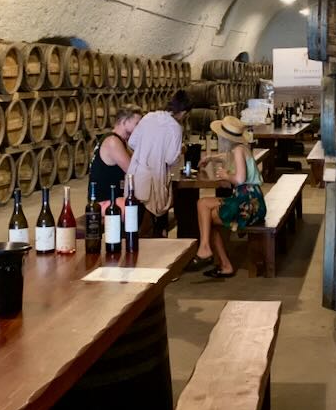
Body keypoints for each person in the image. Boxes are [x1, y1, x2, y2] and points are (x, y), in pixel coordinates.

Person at [186, 116, 266, 278]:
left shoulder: (237, 150)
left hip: (246, 203)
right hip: (253, 200)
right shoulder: (241, 148)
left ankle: (206, 249)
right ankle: (219, 259)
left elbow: (240, 179)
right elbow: (227, 157)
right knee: (206, 213)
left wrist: (225, 175)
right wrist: (211, 158)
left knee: (203, 207)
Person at [127, 90, 192, 236]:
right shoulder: (175, 128)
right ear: (183, 112)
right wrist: (180, 150)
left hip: (136, 175)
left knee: (133, 220)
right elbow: (170, 158)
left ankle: (131, 253)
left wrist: (147, 149)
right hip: (155, 179)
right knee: (159, 219)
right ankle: (158, 252)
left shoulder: (149, 116)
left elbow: (132, 142)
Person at [88, 103, 142, 212]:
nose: (139, 128)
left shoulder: (120, 141)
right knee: (142, 208)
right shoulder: (112, 142)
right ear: (124, 121)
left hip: (114, 199)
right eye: (137, 124)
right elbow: (133, 171)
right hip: (104, 203)